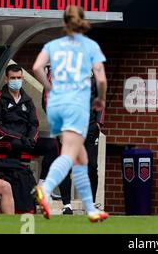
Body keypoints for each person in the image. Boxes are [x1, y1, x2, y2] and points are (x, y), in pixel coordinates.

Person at [32, 5, 108, 222]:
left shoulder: (53, 46)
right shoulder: (89, 47)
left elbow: (37, 67)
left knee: (81, 158)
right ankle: (45, 189)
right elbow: (101, 80)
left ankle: (91, 210)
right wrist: (100, 98)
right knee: (71, 155)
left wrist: (49, 88)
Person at [0, 64, 70, 204]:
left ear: (23, 79)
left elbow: (34, 124)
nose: (16, 80)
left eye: (19, 77)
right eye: (13, 78)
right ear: (6, 79)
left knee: (52, 145)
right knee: (14, 144)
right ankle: (20, 190)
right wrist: (20, 138)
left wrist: (31, 139)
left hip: (26, 140)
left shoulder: (27, 100)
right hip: (5, 140)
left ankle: (42, 185)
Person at [42, 67, 104, 214]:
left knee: (92, 165)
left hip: (89, 129)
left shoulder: (93, 81)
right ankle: (67, 204)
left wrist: (98, 124)